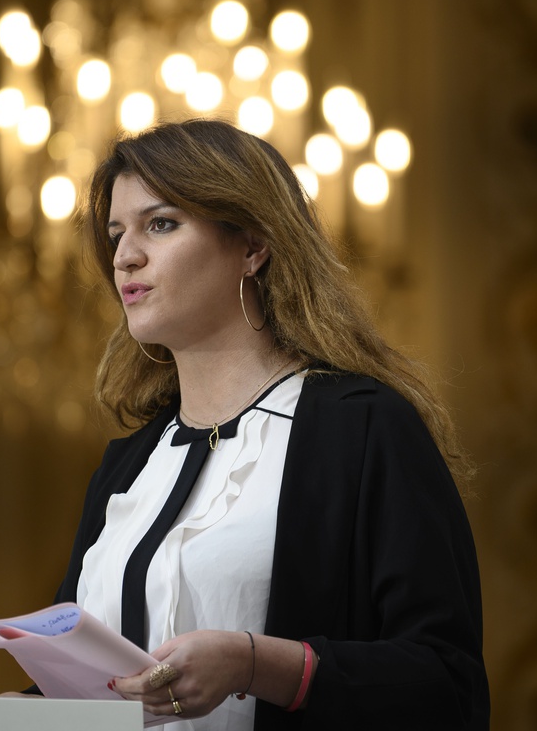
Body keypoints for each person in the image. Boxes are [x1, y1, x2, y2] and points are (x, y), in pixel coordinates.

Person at [37, 118, 488, 729]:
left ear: (252, 246)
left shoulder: (363, 430)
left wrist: (256, 665)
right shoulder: (130, 464)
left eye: (160, 224)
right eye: (117, 233)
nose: (124, 256)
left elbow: (446, 685)